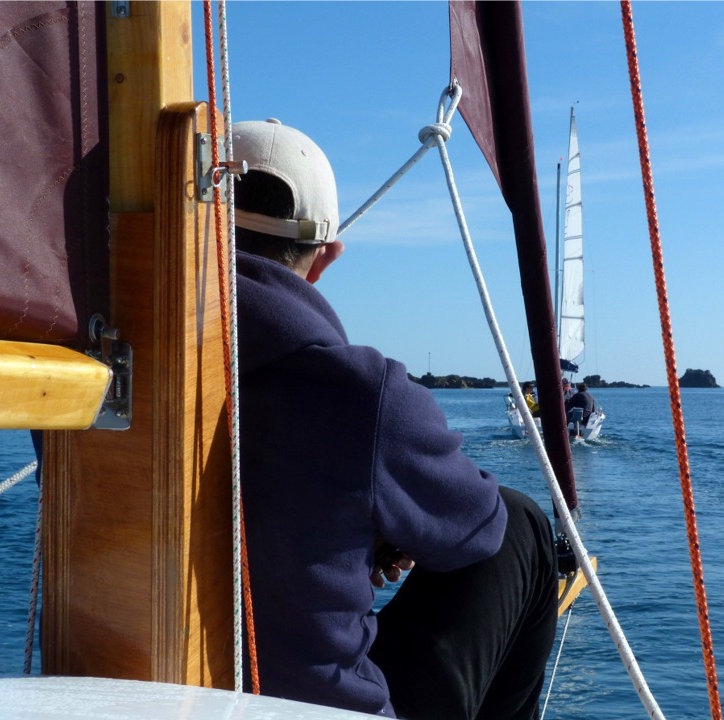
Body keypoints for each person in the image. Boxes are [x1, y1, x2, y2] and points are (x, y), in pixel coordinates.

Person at [233, 119, 557, 719]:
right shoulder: (361, 392)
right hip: (321, 711)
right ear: (325, 259)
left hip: (131, 698)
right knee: (521, 523)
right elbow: (478, 529)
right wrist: (379, 527)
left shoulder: (100, 376)